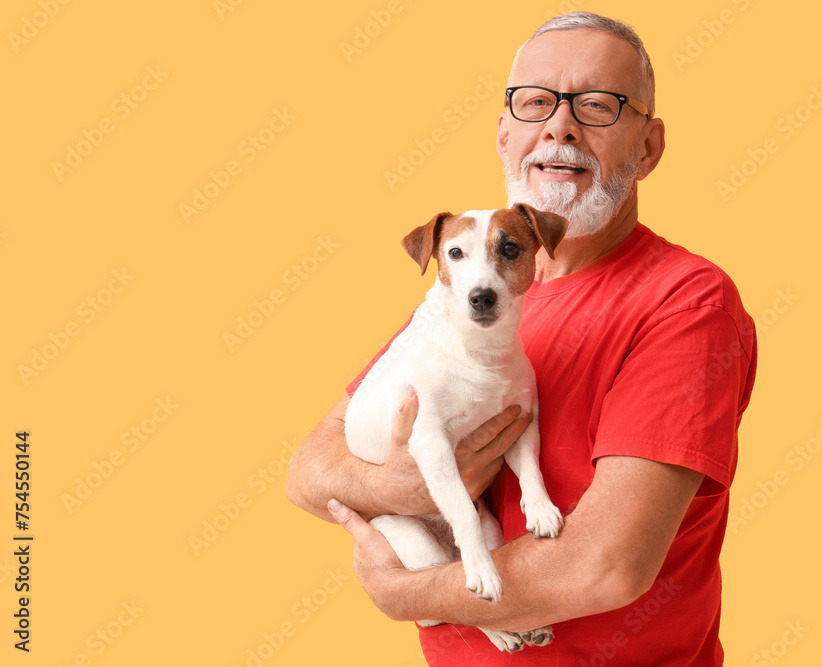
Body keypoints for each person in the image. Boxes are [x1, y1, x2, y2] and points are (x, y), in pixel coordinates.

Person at [286, 11, 758, 665]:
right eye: (535, 103)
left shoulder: (685, 302)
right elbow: (308, 467)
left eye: (597, 105)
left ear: (647, 147)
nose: (559, 127)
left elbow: (604, 566)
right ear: (506, 136)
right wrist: (402, 488)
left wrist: (408, 590)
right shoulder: (474, 288)